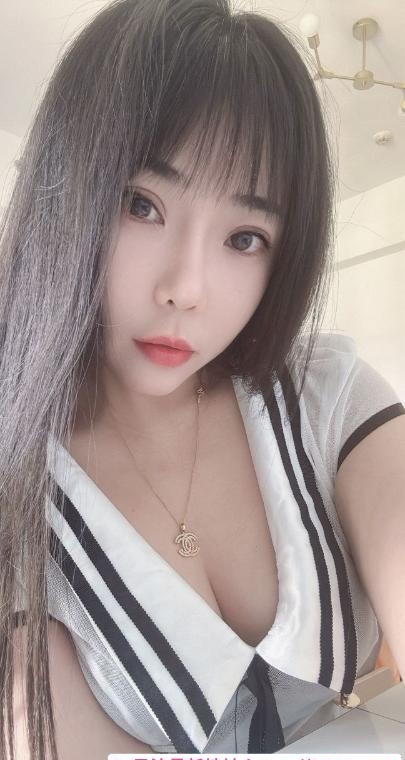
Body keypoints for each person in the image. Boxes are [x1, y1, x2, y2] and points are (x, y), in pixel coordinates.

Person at [1, 0, 404, 757]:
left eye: (244, 238)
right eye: (140, 204)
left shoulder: (325, 396)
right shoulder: (21, 494)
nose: (186, 289)